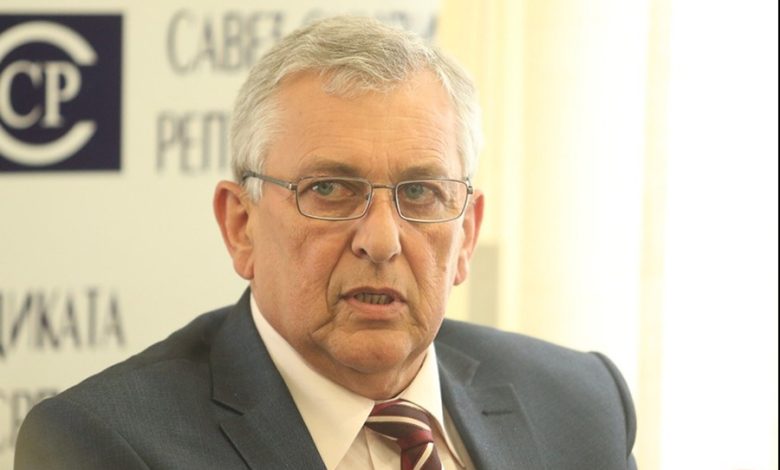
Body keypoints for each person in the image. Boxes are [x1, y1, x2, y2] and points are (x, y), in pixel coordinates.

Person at [15, 16, 637, 470]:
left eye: (421, 193)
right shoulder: (104, 445)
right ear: (241, 225)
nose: (381, 241)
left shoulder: (579, 404)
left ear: (467, 234)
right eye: (331, 190)